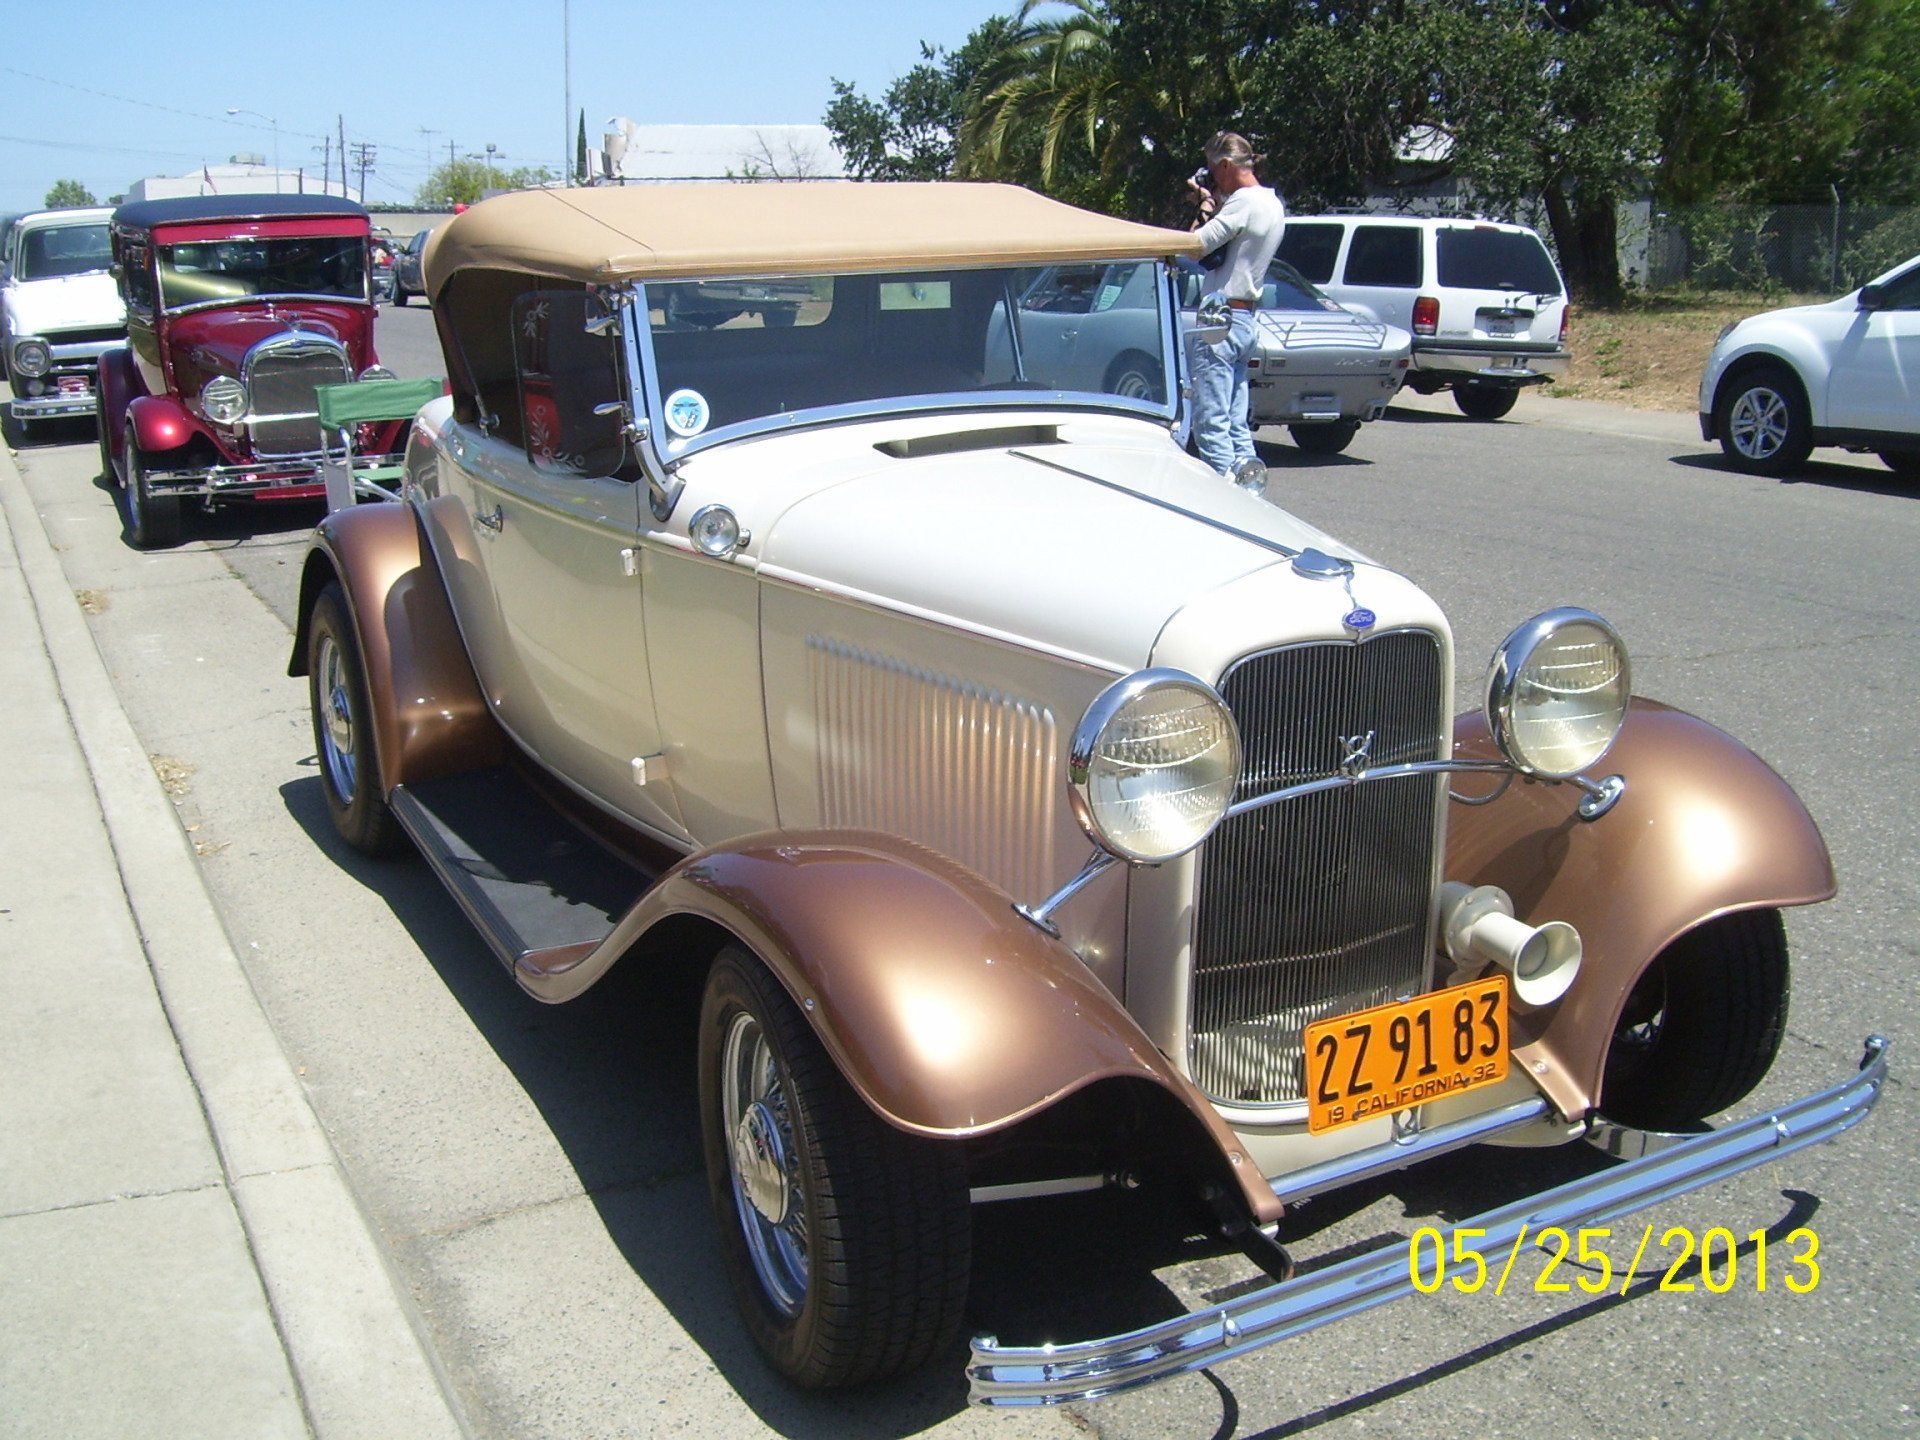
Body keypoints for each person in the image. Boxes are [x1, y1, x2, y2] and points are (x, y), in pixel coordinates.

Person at [1187, 133, 1285, 479]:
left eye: (1214, 171)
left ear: (1226, 165)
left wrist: (1205, 205)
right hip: (1246, 317)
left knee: (1210, 421)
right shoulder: (1273, 203)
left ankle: (1225, 497)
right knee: (1235, 421)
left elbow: (1196, 245)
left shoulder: (1242, 202)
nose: (1214, 178)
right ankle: (1248, 485)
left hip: (1220, 316)